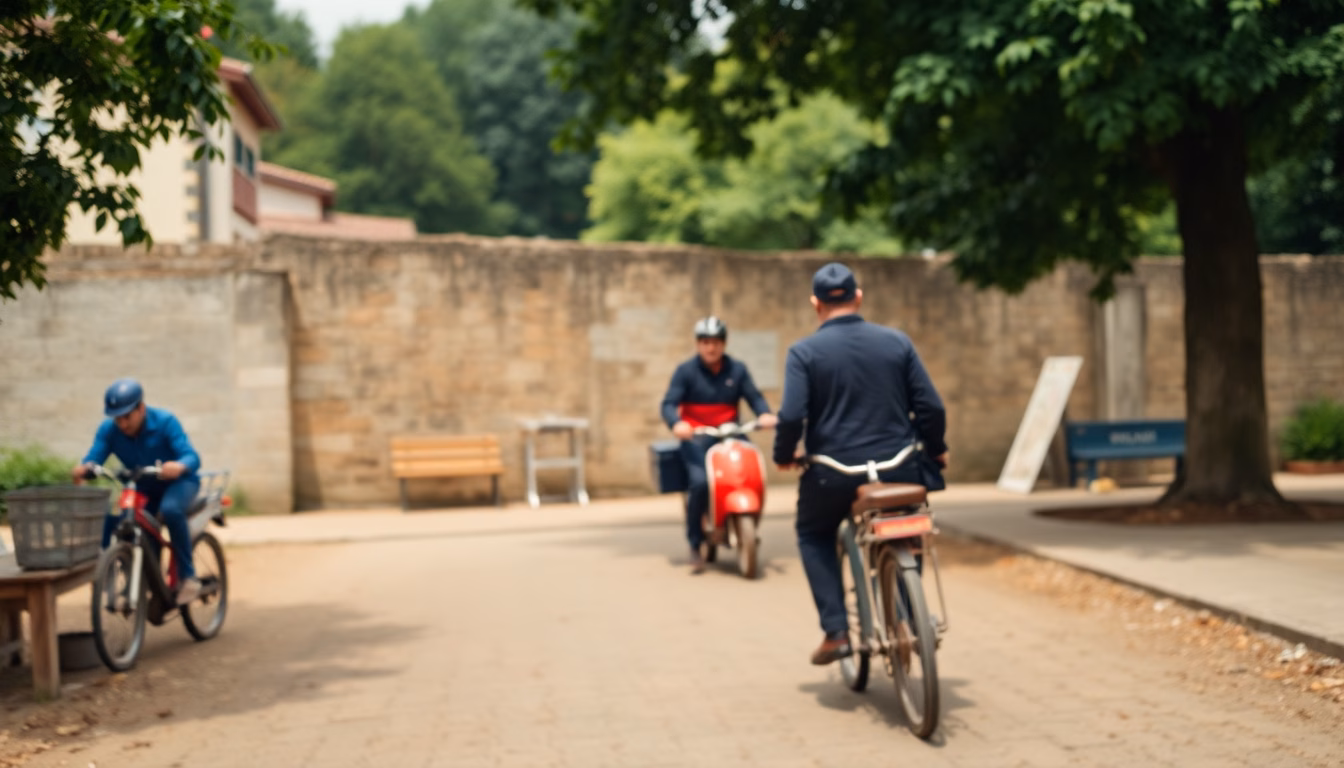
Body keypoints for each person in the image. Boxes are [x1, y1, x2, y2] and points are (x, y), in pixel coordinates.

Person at [773, 263, 949, 665]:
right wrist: (936, 447)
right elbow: (930, 406)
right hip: (899, 467)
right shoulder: (896, 342)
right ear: (859, 296)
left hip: (833, 475)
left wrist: (785, 455)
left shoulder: (804, 352)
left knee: (813, 533)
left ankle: (836, 631)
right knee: (907, 518)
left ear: (815, 304)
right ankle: (909, 611)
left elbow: (790, 416)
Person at [661, 316, 778, 573]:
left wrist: (764, 414)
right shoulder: (686, 371)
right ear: (698, 344)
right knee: (700, 483)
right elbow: (668, 404)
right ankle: (695, 542)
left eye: (715, 342)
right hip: (697, 437)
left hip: (731, 432)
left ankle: (740, 518)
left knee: (749, 469)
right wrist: (677, 423)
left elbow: (754, 397)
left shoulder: (737, 370)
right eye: (705, 342)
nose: (710, 348)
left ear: (723, 344)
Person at [73, 378, 204, 605]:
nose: (122, 423)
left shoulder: (165, 422)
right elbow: (95, 456)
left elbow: (192, 456)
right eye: (117, 418)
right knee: (123, 521)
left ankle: (188, 576)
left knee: (171, 511)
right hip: (144, 488)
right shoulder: (109, 430)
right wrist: (85, 468)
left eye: (127, 416)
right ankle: (126, 574)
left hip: (180, 483)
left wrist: (179, 466)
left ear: (141, 408)